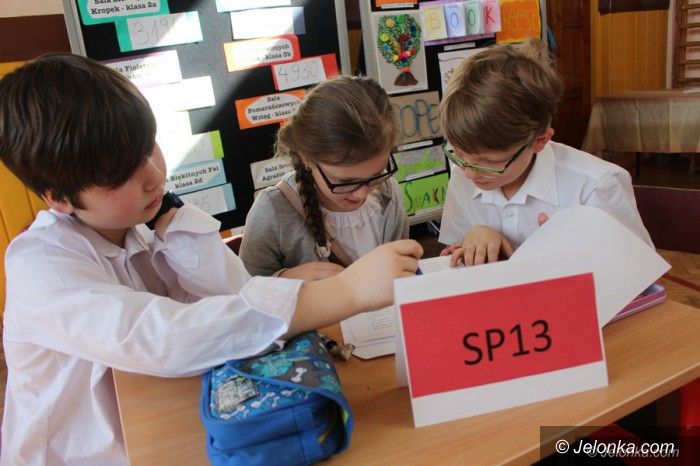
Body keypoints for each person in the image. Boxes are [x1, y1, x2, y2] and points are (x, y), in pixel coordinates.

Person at [0, 54, 422, 465]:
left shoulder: (144, 223)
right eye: (121, 173)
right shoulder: (40, 265)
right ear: (58, 197)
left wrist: (177, 224)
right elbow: (167, 339)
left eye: (149, 147)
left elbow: (235, 297)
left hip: (169, 424)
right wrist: (346, 291)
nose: (154, 176)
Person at [438, 38, 652, 266]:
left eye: (489, 161)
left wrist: (571, 256)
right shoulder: (462, 177)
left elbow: (640, 272)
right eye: (459, 153)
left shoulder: (595, 186)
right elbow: (452, 261)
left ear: (540, 141)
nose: (470, 173)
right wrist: (471, 239)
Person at [239, 75, 409, 279]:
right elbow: (243, 289)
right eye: (345, 182)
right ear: (307, 157)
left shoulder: (388, 195)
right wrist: (288, 280)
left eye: (377, 174)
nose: (362, 193)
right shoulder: (272, 211)